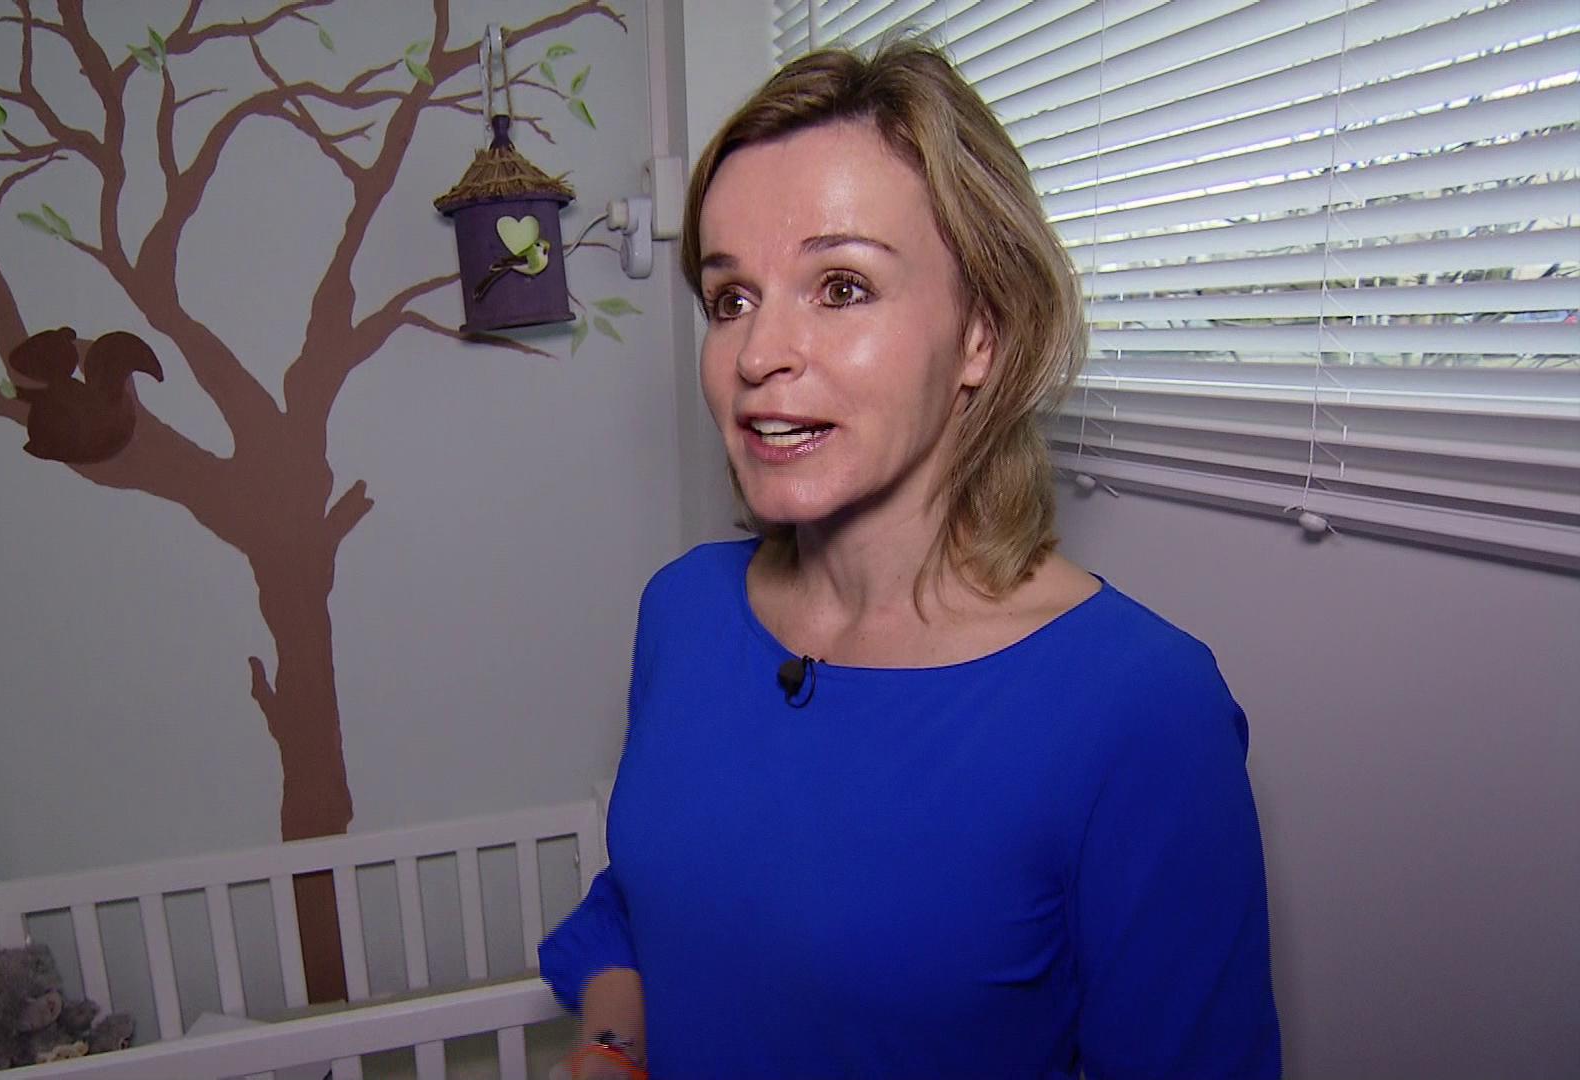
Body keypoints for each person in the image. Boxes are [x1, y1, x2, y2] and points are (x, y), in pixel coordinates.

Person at [538, 39, 1281, 1080]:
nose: (758, 355)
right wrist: (613, 1045)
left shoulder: (1141, 710)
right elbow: (648, 896)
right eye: (732, 298)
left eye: (841, 287)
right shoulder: (684, 611)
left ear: (982, 333)